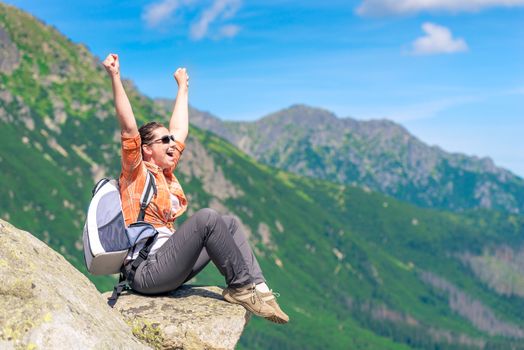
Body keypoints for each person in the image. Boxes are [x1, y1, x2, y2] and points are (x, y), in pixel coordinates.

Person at [102, 53, 289, 324]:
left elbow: (180, 130)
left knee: (230, 223)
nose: (171, 143)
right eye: (163, 140)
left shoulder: (164, 174)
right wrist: (115, 77)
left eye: (170, 139)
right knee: (207, 219)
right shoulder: (135, 173)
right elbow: (129, 126)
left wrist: (182, 89)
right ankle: (240, 289)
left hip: (168, 266)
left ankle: (260, 290)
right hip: (146, 272)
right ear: (146, 149)